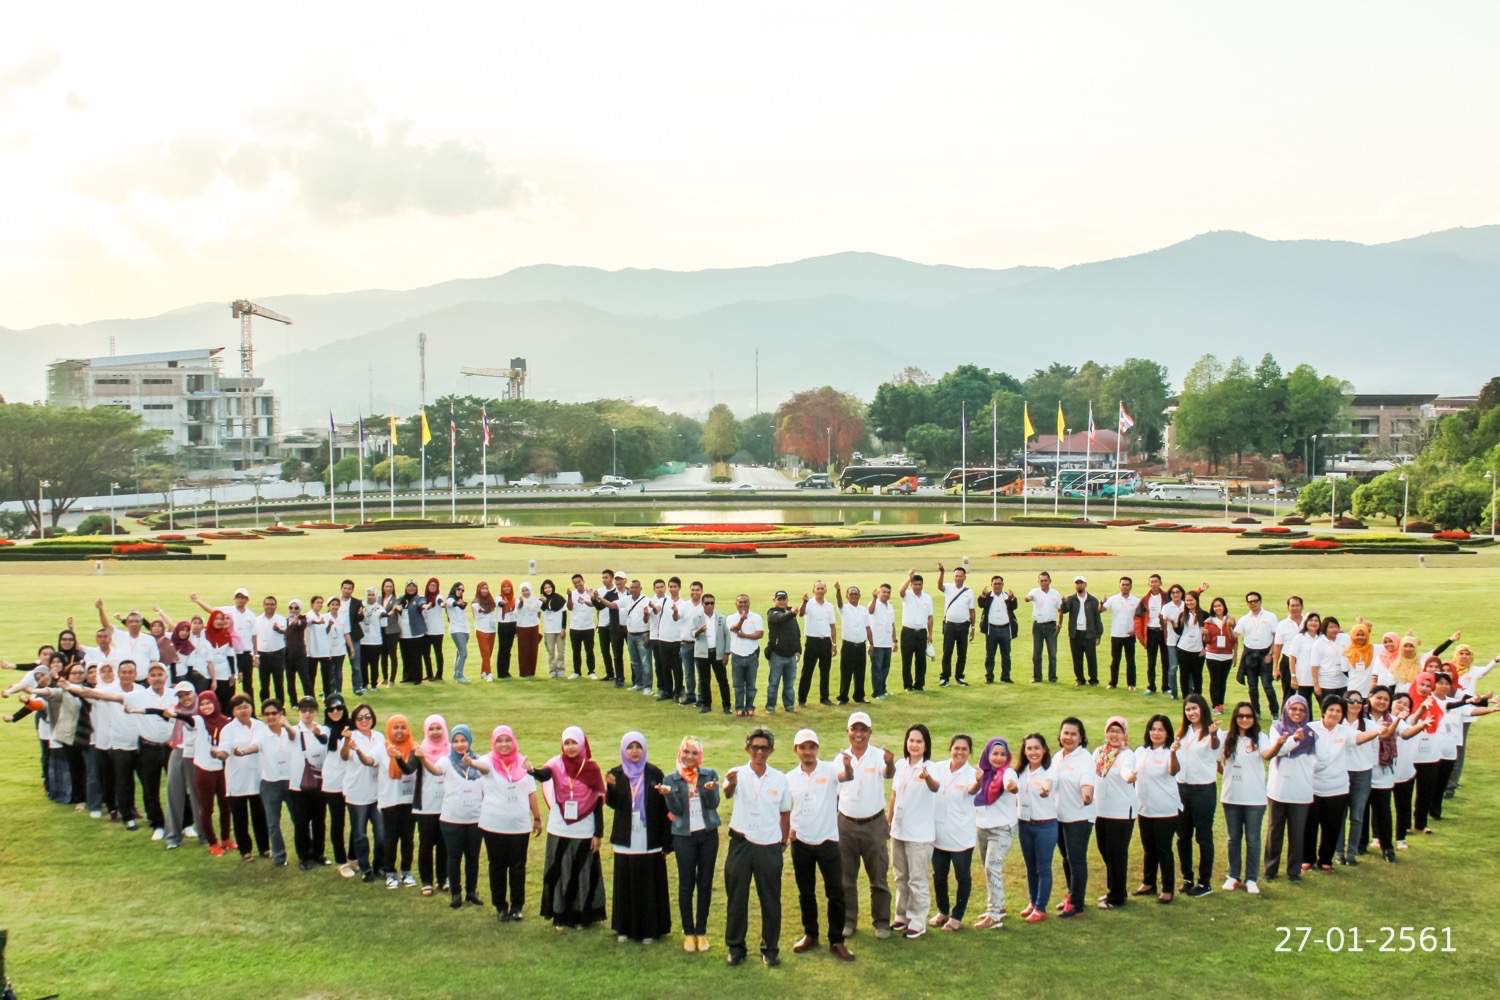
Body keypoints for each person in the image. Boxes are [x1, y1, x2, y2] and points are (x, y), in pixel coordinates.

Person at [722, 726, 791, 968]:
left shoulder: (780, 778)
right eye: (755, 747)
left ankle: (770, 949)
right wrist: (730, 784)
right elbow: (728, 794)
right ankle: (735, 947)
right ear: (747, 748)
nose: (759, 752)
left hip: (769, 846)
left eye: (764, 747)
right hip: (741, 843)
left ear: (771, 750)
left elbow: (785, 813)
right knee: (737, 898)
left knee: (770, 900)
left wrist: (783, 842)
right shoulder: (736, 774)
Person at [784, 728, 854, 960]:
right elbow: (785, 808)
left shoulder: (831, 770)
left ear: (817, 749)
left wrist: (848, 765)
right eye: (803, 747)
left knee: (836, 892)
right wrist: (788, 831)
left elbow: (847, 777)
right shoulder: (789, 778)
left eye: (812, 747)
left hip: (827, 841)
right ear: (796, 750)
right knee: (806, 892)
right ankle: (810, 934)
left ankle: (836, 939)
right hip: (801, 841)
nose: (808, 752)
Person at [537, 725, 607, 928]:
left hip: (584, 828)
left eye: (574, 742)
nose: (570, 747)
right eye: (566, 743)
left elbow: (597, 803)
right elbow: (544, 775)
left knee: (582, 871)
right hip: (559, 828)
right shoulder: (555, 764)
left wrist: (598, 833)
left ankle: (581, 915)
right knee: (560, 870)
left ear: (582, 743)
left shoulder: (591, 768)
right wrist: (532, 771)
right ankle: (560, 914)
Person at [606, 731, 672, 943]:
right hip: (626, 836)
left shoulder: (654, 773)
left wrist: (666, 842)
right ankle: (624, 928)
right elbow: (614, 804)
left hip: (649, 836)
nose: (634, 751)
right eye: (630, 747)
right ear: (623, 750)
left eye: (638, 747)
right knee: (625, 882)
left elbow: (664, 809)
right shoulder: (615, 774)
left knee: (648, 882)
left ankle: (649, 929)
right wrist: (610, 788)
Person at [472, 725, 542, 922]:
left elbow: (531, 791)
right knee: (497, 865)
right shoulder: (486, 761)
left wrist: (536, 817)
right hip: (493, 824)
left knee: (518, 866)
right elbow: (481, 768)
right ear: (493, 743)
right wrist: (471, 762)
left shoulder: (523, 762)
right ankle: (500, 906)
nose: (504, 744)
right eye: (499, 741)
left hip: (519, 825)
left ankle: (517, 906)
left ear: (514, 741)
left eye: (507, 740)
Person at [658, 736, 721, 952]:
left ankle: (701, 931)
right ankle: (688, 932)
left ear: (700, 756)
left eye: (694, 753)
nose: (690, 757)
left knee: (705, 883)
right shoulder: (671, 779)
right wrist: (668, 796)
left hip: (707, 835)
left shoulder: (709, 775)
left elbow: (714, 804)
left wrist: (709, 789)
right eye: (686, 752)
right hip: (684, 837)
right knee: (686, 884)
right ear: (680, 753)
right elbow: (676, 811)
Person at [836, 710, 895, 940]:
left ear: (870, 732)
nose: (858, 734)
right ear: (848, 732)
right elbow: (839, 783)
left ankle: (881, 921)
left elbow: (888, 773)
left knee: (878, 876)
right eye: (854, 729)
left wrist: (890, 763)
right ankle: (848, 921)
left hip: (874, 823)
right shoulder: (840, 757)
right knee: (845, 878)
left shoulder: (879, 755)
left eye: (863, 730)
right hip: (846, 823)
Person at [888, 723, 939, 938]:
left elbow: (935, 787)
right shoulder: (901, 765)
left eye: (919, 741)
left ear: (926, 745)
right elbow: (894, 796)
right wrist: (888, 822)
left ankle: (918, 920)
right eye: (911, 740)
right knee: (900, 876)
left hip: (919, 834)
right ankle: (902, 915)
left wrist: (927, 777)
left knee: (917, 879)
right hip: (898, 831)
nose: (914, 744)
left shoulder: (930, 768)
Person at [427, 723, 484, 909]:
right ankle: (456, 893)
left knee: (472, 858)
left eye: (463, 740)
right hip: (452, 819)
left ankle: (471, 891)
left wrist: (472, 763)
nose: (460, 745)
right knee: (454, 857)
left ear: (469, 741)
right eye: (456, 741)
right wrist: (422, 759)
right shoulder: (445, 761)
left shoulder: (479, 761)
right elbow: (435, 771)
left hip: (475, 819)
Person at [1218, 701, 1270, 894]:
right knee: (1233, 838)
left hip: (1255, 798)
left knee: (1253, 838)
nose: (1245, 719)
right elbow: (1217, 760)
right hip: (1231, 796)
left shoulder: (1261, 738)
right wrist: (1227, 775)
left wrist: (1281, 743)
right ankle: (1233, 875)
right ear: (1235, 718)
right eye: (1241, 716)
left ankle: (1251, 879)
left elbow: (1267, 754)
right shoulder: (1226, 737)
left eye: (1248, 716)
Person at [1263, 695, 1316, 883]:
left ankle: (1294, 871)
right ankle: (1270, 869)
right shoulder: (1277, 729)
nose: (1297, 713)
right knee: (1274, 830)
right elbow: (1278, 750)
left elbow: (1318, 759)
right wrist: (1294, 739)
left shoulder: (1312, 732)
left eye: (1301, 710)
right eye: (1293, 709)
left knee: (1297, 832)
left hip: (1301, 788)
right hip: (1279, 789)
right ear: (1287, 709)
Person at [929, 733, 977, 931]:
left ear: (969, 752)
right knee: (939, 875)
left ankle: (957, 915)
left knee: (962, 876)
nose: (959, 752)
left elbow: (973, 790)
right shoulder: (938, 768)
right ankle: (943, 910)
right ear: (951, 748)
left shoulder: (972, 774)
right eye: (956, 748)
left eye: (964, 749)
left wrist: (980, 782)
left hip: (961, 836)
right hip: (938, 834)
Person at [1173, 694, 1220, 895]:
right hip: (1182, 789)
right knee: (1183, 836)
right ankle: (1187, 877)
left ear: (1202, 709)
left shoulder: (1211, 732)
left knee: (1203, 836)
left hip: (1203, 790)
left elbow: (1216, 747)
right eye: (1188, 709)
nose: (1191, 712)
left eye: (1195, 708)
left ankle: (1204, 882)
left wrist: (1215, 734)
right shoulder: (1183, 733)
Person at [218, 693, 271, 861]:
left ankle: (264, 848)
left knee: (260, 815)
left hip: (258, 777)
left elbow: (258, 745)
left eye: (246, 707)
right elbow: (224, 750)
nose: (243, 711)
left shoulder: (260, 726)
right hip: (237, 779)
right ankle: (245, 850)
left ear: (252, 707)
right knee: (240, 818)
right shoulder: (228, 729)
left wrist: (244, 751)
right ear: (233, 711)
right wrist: (219, 754)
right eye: (239, 708)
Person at [1134, 714, 1181, 902]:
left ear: (1167, 732)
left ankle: (1168, 888)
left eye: (1161, 729)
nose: (1156, 733)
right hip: (1144, 808)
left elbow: (1173, 771)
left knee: (1163, 849)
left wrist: (1173, 753)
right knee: (1149, 848)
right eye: (1153, 729)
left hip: (1165, 809)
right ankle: (1149, 882)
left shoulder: (1171, 751)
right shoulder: (1141, 751)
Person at [972, 736, 1019, 926]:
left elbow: (1011, 785)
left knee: (993, 868)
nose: (999, 758)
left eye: (1002, 754)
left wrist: (1011, 787)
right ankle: (998, 906)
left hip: (1001, 830)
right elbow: (971, 791)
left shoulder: (1008, 773)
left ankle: (995, 915)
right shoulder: (982, 773)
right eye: (995, 753)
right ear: (987, 754)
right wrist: (977, 780)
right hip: (982, 828)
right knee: (989, 869)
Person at [1052, 717, 1095, 916]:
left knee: (1076, 860)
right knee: (1066, 858)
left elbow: (1087, 782)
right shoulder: (1057, 757)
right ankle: (1071, 895)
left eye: (1073, 734)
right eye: (1065, 733)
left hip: (1078, 817)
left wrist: (1087, 794)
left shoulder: (1085, 758)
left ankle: (1077, 904)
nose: (1068, 737)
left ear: (1081, 737)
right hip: (1059, 817)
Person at [340, 702, 387, 882]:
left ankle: (379, 866)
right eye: (360, 718)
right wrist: (346, 742)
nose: (364, 720)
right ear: (354, 720)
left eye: (367, 716)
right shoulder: (351, 736)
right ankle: (365, 868)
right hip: (357, 793)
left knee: (381, 834)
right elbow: (344, 756)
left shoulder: (380, 737)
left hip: (377, 793)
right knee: (360, 834)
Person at [1091, 718, 1135, 909]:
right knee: (1105, 851)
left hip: (1121, 811)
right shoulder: (1099, 753)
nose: (1114, 735)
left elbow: (1126, 771)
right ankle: (1117, 889)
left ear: (1125, 734)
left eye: (1118, 731)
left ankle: (1116, 897)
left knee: (1117, 854)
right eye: (1111, 730)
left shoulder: (1127, 754)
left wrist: (1129, 776)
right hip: (1100, 810)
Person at [1015, 732, 1058, 923]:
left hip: (1045, 825)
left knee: (1043, 867)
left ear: (1044, 750)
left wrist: (1045, 790)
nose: (1033, 752)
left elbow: (1048, 785)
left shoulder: (1049, 771)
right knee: (1030, 866)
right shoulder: (1020, 772)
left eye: (1036, 748)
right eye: (1029, 748)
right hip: (1024, 825)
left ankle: (1041, 907)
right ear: (1024, 751)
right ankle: (1033, 902)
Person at [286, 696, 329, 870]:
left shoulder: (323, 730)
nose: (307, 714)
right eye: (304, 710)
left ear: (315, 712)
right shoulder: (295, 731)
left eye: (310, 710)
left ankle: (318, 853)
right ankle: (304, 856)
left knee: (320, 820)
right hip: (298, 784)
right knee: (301, 822)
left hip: (319, 782)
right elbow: (289, 733)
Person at [378, 712, 419, 888]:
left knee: (408, 838)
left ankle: (406, 871)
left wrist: (397, 757)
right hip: (390, 801)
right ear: (389, 729)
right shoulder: (382, 747)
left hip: (409, 801)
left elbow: (409, 770)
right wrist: (354, 748)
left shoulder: (414, 748)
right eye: (396, 727)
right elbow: (369, 761)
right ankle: (390, 872)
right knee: (390, 838)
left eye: (403, 727)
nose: (400, 731)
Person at [188, 690, 232, 854]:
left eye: (209, 703)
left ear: (216, 703)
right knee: (207, 807)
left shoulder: (224, 721)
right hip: (204, 769)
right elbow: (185, 719)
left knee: (225, 805)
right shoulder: (198, 721)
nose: (206, 707)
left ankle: (226, 838)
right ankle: (212, 842)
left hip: (221, 768)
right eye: (202, 704)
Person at [412, 714, 449, 895]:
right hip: (426, 806)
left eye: (438, 728)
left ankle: (443, 879)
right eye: (431, 729)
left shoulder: (451, 749)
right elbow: (408, 769)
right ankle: (426, 881)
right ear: (426, 731)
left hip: (447, 805)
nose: (435, 732)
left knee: (444, 845)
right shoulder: (421, 749)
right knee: (426, 844)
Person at [256, 698, 296, 866]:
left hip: (291, 781)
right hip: (270, 783)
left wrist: (285, 725)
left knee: (299, 820)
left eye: (274, 713)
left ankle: (306, 852)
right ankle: (279, 856)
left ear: (281, 714)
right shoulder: (261, 733)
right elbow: (254, 746)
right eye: (267, 714)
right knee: (273, 823)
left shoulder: (290, 730)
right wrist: (242, 752)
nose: (271, 717)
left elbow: (295, 737)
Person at [320, 695, 353, 872]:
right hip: (333, 782)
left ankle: (354, 856)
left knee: (357, 821)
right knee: (337, 821)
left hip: (353, 780)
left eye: (338, 708)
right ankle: (342, 861)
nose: (335, 712)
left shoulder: (353, 727)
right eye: (331, 709)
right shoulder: (325, 730)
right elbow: (321, 739)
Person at [1234, 592, 1279, 717]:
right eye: (1250, 602)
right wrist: (1227, 625)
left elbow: (1276, 636)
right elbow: (1235, 634)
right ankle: (1256, 712)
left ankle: (1274, 712)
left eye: (1255, 601)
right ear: (1247, 604)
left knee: (1267, 686)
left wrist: (1271, 654)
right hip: (1249, 655)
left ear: (1260, 601)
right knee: (1252, 688)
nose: (1253, 603)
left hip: (1265, 655)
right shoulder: (1244, 619)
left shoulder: (1270, 616)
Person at [797, 581, 837, 707]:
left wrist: (834, 643)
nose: (820, 590)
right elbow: (801, 613)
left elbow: (832, 626)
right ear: (814, 590)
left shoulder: (829, 606)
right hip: (812, 641)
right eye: (818, 588)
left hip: (825, 641)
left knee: (825, 671)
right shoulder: (809, 604)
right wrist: (804, 601)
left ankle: (824, 698)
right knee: (807, 671)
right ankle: (802, 699)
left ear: (825, 590)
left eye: (822, 588)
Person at [935, 563, 975, 687]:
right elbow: (939, 586)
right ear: (954, 577)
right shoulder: (948, 587)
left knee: (962, 653)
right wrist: (941, 573)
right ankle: (944, 677)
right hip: (950, 625)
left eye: (960, 576)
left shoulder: (969, 591)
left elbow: (972, 610)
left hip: (964, 625)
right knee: (947, 652)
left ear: (964, 577)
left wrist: (973, 627)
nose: (958, 578)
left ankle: (960, 676)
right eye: (956, 576)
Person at [691, 593, 731, 715]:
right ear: (702, 604)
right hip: (702, 653)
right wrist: (699, 631)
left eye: (712, 603)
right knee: (704, 680)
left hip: (717, 653)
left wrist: (726, 653)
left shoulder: (721, 618)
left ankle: (727, 706)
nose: (709, 605)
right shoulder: (697, 618)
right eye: (707, 603)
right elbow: (692, 634)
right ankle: (706, 705)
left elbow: (727, 636)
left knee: (722, 680)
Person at [1060, 576, 1102, 687]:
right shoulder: (1071, 599)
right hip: (1075, 634)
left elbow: (1097, 619)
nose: (1079, 585)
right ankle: (1080, 679)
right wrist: (1063, 603)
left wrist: (1099, 635)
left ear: (1085, 584)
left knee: (1091, 658)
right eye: (1077, 583)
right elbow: (1064, 611)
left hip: (1089, 634)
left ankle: (1093, 680)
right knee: (1077, 658)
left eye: (1081, 583)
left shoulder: (1093, 600)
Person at [727, 595, 764, 718]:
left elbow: (760, 634)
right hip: (737, 655)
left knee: (751, 685)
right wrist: (742, 620)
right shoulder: (731, 618)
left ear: (749, 603)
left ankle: (749, 707)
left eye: (745, 602)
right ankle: (739, 707)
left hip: (751, 655)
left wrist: (745, 636)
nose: (743, 604)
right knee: (738, 685)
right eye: (740, 602)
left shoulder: (756, 617)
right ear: (736, 604)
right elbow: (733, 629)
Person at [833, 582, 870, 704]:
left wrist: (871, 643)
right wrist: (838, 590)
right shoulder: (844, 608)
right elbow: (838, 602)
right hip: (848, 646)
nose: (853, 595)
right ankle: (843, 697)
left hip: (861, 646)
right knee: (846, 672)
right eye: (851, 593)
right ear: (847, 596)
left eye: (855, 593)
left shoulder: (864, 610)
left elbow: (867, 628)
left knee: (860, 673)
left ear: (859, 595)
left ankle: (859, 697)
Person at [764, 590, 800, 715]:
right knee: (774, 683)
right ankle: (770, 707)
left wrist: (798, 650)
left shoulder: (790, 614)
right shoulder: (772, 613)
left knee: (789, 684)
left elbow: (796, 633)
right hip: (777, 655)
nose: (782, 601)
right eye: (779, 599)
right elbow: (780, 620)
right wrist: (792, 613)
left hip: (791, 655)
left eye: (784, 598)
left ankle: (789, 705)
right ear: (774, 601)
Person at [898, 570, 935, 691]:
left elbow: (930, 617)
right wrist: (909, 577)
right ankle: (908, 686)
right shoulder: (907, 595)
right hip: (908, 632)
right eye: (915, 584)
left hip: (922, 633)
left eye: (919, 584)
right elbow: (901, 591)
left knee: (921, 661)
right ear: (911, 585)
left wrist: (930, 634)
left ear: (922, 585)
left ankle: (919, 684)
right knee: (907, 660)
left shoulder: (927, 597)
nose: (917, 587)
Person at [1024, 571, 1063, 683]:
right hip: (1038, 626)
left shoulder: (1055, 594)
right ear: (1038, 582)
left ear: (1050, 581)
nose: (1043, 582)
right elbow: (1028, 597)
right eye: (1041, 581)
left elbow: (1060, 610)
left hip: (1051, 626)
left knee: (1052, 653)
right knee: (1037, 653)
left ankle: (1052, 677)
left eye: (1046, 580)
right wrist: (1028, 598)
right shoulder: (1035, 592)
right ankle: (1037, 677)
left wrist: (1059, 625)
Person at [1102, 577, 1140, 690]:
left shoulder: (1136, 601)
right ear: (1119, 586)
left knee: (1130, 660)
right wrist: (1101, 603)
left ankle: (1131, 684)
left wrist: (1135, 630)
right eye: (1123, 584)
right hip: (1116, 634)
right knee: (1115, 660)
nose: (1125, 587)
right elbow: (1100, 610)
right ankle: (1113, 683)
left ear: (1131, 586)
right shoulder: (1113, 599)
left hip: (1130, 635)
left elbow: (1140, 618)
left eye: (1127, 584)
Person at [978, 577, 1017, 684]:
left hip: (1005, 629)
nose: (997, 586)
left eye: (999, 583)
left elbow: (1014, 606)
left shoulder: (1007, 597)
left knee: (1006, 655)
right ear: (992, 585)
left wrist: (1012, 598)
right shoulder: (988, 597)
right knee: (990, 655)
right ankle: (989, 677)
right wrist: (982, 596)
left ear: (1003, 584)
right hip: (992, 630)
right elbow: (980, 604)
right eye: (995, 584)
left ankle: (1005, 676)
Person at [252, 595, 288, 706]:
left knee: (279, 683)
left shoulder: (281, 619)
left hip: (278, 654)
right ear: (263, 605)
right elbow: (253, 638)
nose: (269, 606)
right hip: (262, 655)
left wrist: (278, 629)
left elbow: (284, 631)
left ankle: (280, 707)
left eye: (272, 604)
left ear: (276, 606)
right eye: (267, 604)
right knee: (264, 684)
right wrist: (255, 655)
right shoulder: (257, 620)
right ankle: (265, 706)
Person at [1270, 596, 1306, 707]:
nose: (1295, 608)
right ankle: (1285, 722)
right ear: (1288, 607)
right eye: (1292, 605)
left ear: (1302, 606)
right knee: (1288, 695)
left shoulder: (1308, 622)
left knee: (1305, 694)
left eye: (1297, 605)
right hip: (1287, 662)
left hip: (1305, 661)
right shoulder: (1282, 625)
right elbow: (1277, 647)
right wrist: (1275, 668)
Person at [1203, 597, 1237, 714]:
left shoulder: (1230, 620)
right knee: (1215, 680)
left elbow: (1235, 639)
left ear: (1224, 607)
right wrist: (1205, 635)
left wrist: (1235, 655)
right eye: (1215, 606)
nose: (1218, 608)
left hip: (1227, 656)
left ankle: (1220, 704)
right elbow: (1207, 640)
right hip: (1213, 655)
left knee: (1223, 681)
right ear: (1213, 608)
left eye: (1220, 605)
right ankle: (1215, 705)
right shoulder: (1208, 622)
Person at [622, 577, 653, 694]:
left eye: (635, 587)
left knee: (646, 662)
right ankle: (638, 684)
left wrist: (646, 615)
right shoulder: (627, 599)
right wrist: (599, 599)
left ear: (640, 588)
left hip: (643, 634)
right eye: (631, 588)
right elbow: (612, 605)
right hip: (630, 634)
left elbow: (648, 619)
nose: (633, 590)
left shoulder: (646, 600)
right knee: (634, 661)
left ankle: (647, 686)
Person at [867, 583, 896, 699]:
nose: (886, 594)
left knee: (885, 668)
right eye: (884, 592)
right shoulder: (874, 603)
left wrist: (895, 640)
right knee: (877, 669)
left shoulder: (890, 606)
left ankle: (883, 689)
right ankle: (877, 692)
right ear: (879, 592)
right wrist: (874, 598)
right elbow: (870, 611)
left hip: (887, 643)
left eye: (888, 592)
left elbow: (892, 624)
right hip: (876, 643)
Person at [566, 574, 597, 679]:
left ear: (583, 581)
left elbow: (594, 605)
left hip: (588, 627)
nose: (577, 584)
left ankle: (591, 671)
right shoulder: (572, 594)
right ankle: (576, 672)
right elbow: (570, 608)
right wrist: (569, 596)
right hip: (575, 627)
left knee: (589, 650)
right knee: (576, 651)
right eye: (575, 583)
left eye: (579, 581)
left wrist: (589, 598)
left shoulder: (590, 592)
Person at [396, 581, 427, 686]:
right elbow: (395, 605)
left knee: (416, 656)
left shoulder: (419, 598)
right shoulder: (401, 598)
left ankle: (417, 677)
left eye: (413, 587)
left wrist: (424, 606)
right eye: (409, 586)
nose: (411, 588)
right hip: (403, 633)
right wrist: (397, 607)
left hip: (415, 633)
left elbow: (421, 604)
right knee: (405, 656)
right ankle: (407, 676)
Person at [356, 588, 385, 697]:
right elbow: (357, 619)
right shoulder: (361, 606)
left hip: (375, 641)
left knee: (374, 665)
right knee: (363, 664)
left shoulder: (379, 608)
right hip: (363, 641)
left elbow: (383, 624)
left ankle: (374, 684)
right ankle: (364, 684)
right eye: (369, 595)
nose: (370, 597)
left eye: (373, 595)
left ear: (376, 596)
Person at [514, 582, 543, 679]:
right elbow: (518, 608)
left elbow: (539, 611)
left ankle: (531, 672)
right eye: (523, 590)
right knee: (523, 650)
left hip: (534, 627)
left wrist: (537, 621)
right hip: (522, 628)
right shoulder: (519, 600)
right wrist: (522, 602)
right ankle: (524, 672)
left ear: (530, 590)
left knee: (533, 650)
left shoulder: (535, 600)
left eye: (526, 590)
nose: (525, 592)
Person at [539, 580, 566, 679]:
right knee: (551, 652)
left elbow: (563, 613)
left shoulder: (559, 598)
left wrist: (563, 628)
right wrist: (544, 601)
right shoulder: (541, 599)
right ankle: (552, 670)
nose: (548, 589)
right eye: (545, 588)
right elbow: (541, 609)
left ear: (553, 587)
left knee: (561, 651)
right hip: (548, 630)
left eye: (549, 587)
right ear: (543, 589)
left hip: (559, 629)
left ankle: (560, 670)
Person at [420, 577, 446, 681]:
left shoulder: (438, 596)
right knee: (426, 653)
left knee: (438, 652)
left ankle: (439, 675)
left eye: (435, 586)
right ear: (427, 586)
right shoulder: (424, 598)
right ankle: (429, 674)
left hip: (437, 630)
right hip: (426, 631)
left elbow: (440, 602)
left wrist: (443, 604)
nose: (432, 587)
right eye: (431, 585)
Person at [472, 582, 498, 683]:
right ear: (478, 589)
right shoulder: (475, 603)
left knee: (488, 654)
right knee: (486, 653)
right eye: (482, 588)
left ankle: (483, 671)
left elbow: (493, 608)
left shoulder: (491, 600)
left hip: (492, 629)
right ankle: (489, 673)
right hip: (481, 630)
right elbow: (481, 610)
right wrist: (486, 609)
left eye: (486, 588)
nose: (484, 590)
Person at [378, 578, 401, 688]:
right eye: (386, 586)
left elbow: (396, 609)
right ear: (383, 587)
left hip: (392, 631)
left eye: (390, 586)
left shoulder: (395, 600)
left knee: (392, 655)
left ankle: (392, 680)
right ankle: (385, 678)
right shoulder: (379, 599)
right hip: (381, 631)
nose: (388, 588)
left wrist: (395, 610)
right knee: (383, 655)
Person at [445, 583, 470, 684]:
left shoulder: (460, 600)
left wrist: (462, 603)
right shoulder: (450, 599)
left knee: (460, 652)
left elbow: (461, 606)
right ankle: (459, 676)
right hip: (456, 630)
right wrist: (459, 603)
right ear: (454, 589)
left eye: (463, 590)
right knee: (464, 653)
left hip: (465, 630)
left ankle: (457, 673)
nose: (461, 591)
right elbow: (452, 603)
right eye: (459, 589)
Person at [495, 580, 519, 680]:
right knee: (502, 649)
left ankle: (506, 671)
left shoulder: (515, 599)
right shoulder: (499, 597)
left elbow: (517, 613)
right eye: (504, 586)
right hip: (503, 625)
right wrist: (503, 603)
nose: (506, 588)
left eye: (508, 586)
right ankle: (501, 672)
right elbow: (499, 603)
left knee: (508, 649)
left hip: (512, 625)